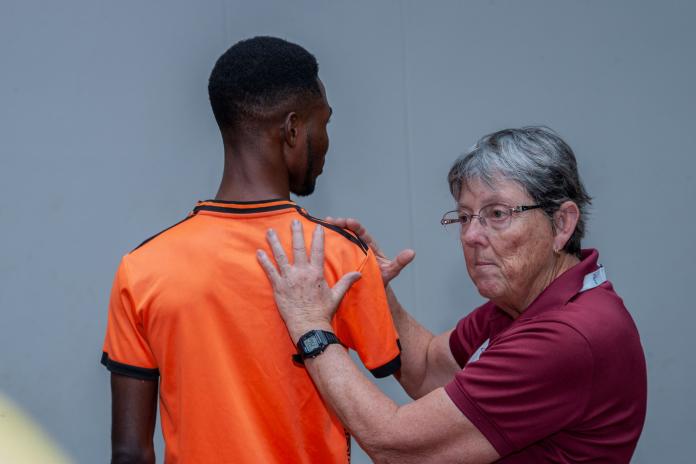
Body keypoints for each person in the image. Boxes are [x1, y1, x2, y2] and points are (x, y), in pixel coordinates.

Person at [257, 127, 647, 463]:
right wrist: (375, 290)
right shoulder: (521, 304)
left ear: (561, 224)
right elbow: (428, 368)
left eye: (497, 214)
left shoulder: (567, 335)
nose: (471, 236)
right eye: (464, 216)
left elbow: (397, 447)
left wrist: (310, 327)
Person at [100, 36, 401, 463]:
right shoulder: (338, 256)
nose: (328, 140)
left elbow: (130, 453)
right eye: (325, 123)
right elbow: (407, 409)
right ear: (294, 129)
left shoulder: (142, 268)